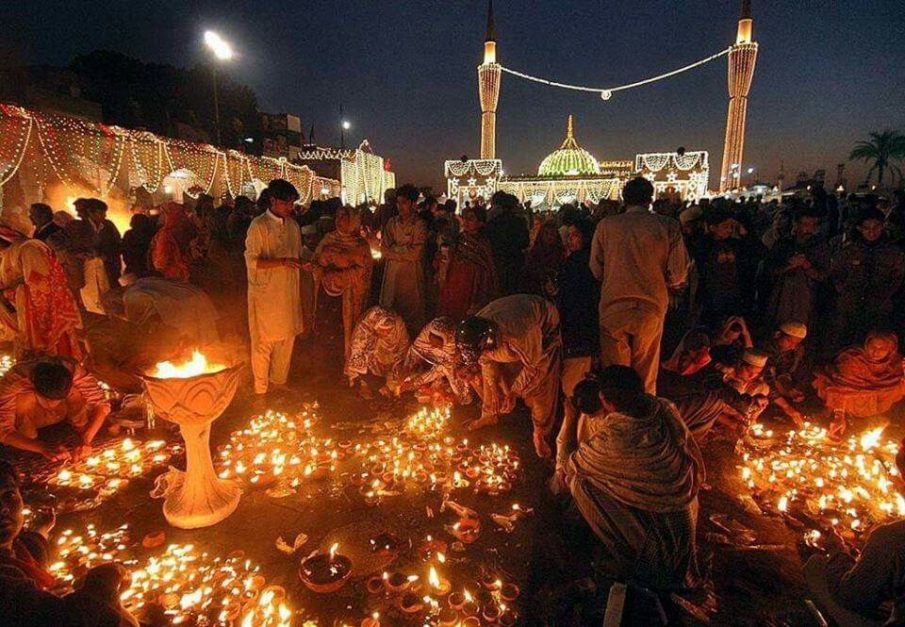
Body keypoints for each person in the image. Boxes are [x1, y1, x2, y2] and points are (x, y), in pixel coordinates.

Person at [556, 365, 704, 590]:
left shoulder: (616, 438)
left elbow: (569, 463)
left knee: (580, 483)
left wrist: (569, 417)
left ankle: (630, 554)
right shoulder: (662, 406)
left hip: (661, 547)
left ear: (606, 400)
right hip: (684, 514)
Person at [589, 176, 690, 394]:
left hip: (613, 308)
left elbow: (596, 269)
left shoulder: (606, 226)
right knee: (645, 377)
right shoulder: (667, 226)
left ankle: (618, 422)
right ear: (650, 199)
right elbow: (679, 274)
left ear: (624, 199)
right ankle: (643, 423)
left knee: (615, 379)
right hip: (650, 308)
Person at [804, 441, 905, 625]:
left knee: (816, 566)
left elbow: (851, 597)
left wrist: (836, 550)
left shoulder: (892, 538)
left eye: (898, 475)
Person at [456, 294, 562, 459]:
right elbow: (486, 362)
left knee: (541, 388)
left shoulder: (519, 334)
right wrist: (493, 388)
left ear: (488, 341)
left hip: (544, 333)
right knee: (491, 374)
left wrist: (514, 392)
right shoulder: (477, 329)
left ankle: (540, 433)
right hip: (509, 331)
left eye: (483, 350)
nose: (482, 354)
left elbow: (536, 367)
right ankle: (488, 415)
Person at [245, 179, 305, 395]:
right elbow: (252, 262)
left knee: (286, 340)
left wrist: (306, 262)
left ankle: (279, 383)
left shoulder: (293, 226)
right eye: (287, 203)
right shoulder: (258, 226)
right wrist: (282, 262)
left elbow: (298, 253)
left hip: (288, 294)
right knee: (263, 343)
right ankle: (260, 389)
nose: (291, 208)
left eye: (292, 204)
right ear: (273, 201)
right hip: (266, 296)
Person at [0, 358, 111, 460]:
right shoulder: (12, 381)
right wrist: (42, 448)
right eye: (50, 399)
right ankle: (28, 444)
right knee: (24, 399)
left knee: (76, 392)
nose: (54, 404)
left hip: (62, 413)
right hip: (34, 415)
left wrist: (86, 438)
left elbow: (101, 404)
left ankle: (80, 432)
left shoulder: (73, 370)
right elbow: (3, 430)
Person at [0, 226, 83, 360]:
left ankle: (58, 375)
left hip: (45, 309)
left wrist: (9, 292)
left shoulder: (28, 249)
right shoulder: (8, 255)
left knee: (53, 349)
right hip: (25, 309)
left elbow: (41, 282)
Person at [828, 208, 905, 350]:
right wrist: (844, 290)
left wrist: (884, 294)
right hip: (850, 304)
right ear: (859, 228)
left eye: (876, 227)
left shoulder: (893, 253)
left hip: (878, 306)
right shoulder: (848, 251)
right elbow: (836, 273)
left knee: (875, 343)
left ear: (883, 226)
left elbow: (897, 278)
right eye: (867, 228)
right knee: (845, 342)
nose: (872, 232)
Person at [814, 330, 905, 437]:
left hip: (874, 404)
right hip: (847, 401)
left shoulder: (896, 363)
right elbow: (842, 389)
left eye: (882, 349)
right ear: (867, 344)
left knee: (894, 388)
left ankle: (868, 420)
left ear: (891, 350)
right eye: (873, 347)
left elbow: (901, 389)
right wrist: (839, 416)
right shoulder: (853, 358)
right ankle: (838, 413)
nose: (875, 352)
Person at [312, 205, 374, 358]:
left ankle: (346, 365)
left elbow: (363, 271)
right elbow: (315, 261)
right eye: (337, 216)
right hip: (326, 293)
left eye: (344, 217)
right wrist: (320, 269)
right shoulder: (328, 238)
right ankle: (324, 363)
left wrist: (342, 274)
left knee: (345, 329)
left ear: (353, 220)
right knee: (326, 325)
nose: (339, 221)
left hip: (348, 295)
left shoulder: (360, 245)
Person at [558, 218, 600, 437]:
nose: (570, 239)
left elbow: (584, 299)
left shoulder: (584, 263)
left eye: (575, 235)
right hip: (575, 326)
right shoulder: (577, 260)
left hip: (580, 327)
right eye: (569, 235)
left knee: (576, 385)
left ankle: (579, 433)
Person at [759, 208, 828, 332]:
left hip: (807, 300)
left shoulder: (819, 247)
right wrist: (789, 264)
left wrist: (806, 265)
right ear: (796, 225)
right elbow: (769, 270)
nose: (809, 229)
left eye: (813, 225)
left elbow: (823, 276)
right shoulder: (783, 245)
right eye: (805, 225)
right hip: (781, 298)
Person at [693, 208, 758, 326]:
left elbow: (756, 251)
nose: (729, 230)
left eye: (731, 227)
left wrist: (744, 233)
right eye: (725, 226)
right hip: (711, 294)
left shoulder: (734, 244)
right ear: (713, 227)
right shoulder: (702, 244)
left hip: (732, 293)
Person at [379, 184, 427, 335]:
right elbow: (383, 250)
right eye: (398, 202)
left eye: (404, 202)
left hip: (411, 274)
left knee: (412, 310)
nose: (400, 206)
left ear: (413, 204)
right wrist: (404, 251)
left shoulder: (419, 224)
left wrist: (394, 250)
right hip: (392, 274)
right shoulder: (391, 223)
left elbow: (416, 254)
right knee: (390, 309)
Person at [436, 205, 497, 321]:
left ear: (480, 223)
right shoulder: (458, 239)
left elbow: (487, 267)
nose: (466, 222)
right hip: (455, 281)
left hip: (473, 284)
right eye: (465, 218)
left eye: (471, 219)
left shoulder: (483, 243)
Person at [396, 316, 472, 405]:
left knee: (464, 396)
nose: (432, 346)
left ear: (445, 341)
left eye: (437, 345)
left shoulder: (452, 345)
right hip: (432, 364)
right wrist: (404, 373)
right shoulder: (425, 335)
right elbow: (414, 355)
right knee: (405, 374)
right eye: (430, 341)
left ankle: (451, 394)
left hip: (453, 366)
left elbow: (439, 370)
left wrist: (414, 382)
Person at [345, 306, 410, 398]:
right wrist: (379, 385)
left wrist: (399, 367)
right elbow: (356, 360)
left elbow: (404, 346)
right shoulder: (362, 332)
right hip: (369, 357)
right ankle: (364, 384)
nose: (386, 334)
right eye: (382, 331)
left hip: (389, 357)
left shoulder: (397, 323)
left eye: (389, 331)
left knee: (401, 380)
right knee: (366, 378)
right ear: (376, 327)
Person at [485, 192, 530, 296]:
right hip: (515, 262)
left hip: (497, 262)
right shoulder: (519, 222)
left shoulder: (492, 223)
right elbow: (525, 242)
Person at [150, 202, 193, 282]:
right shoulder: (190, 229)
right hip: (190, 273)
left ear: (169, 215)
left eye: (163, 213)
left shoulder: (165, 234)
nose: (161, 217)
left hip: (172, 276)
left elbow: (162, 261)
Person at [86, 199, 122, 288]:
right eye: (100, 213)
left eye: (104, 213)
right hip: (91, 269)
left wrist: (108, 256)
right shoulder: (82, 227)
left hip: (109, 266)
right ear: (90, 213)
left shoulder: (108, 225)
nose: (104, 215)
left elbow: (118, 243)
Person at [523, 221, 564, 298]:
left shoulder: (560, 252)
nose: (549, 237)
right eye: (546, 233)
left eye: (552, 234)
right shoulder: (535, 252)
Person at [120, 213, 155, 279]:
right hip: (148, 266)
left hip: (133, 267)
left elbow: (125, 250)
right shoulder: (151, 234)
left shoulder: (129, 234)